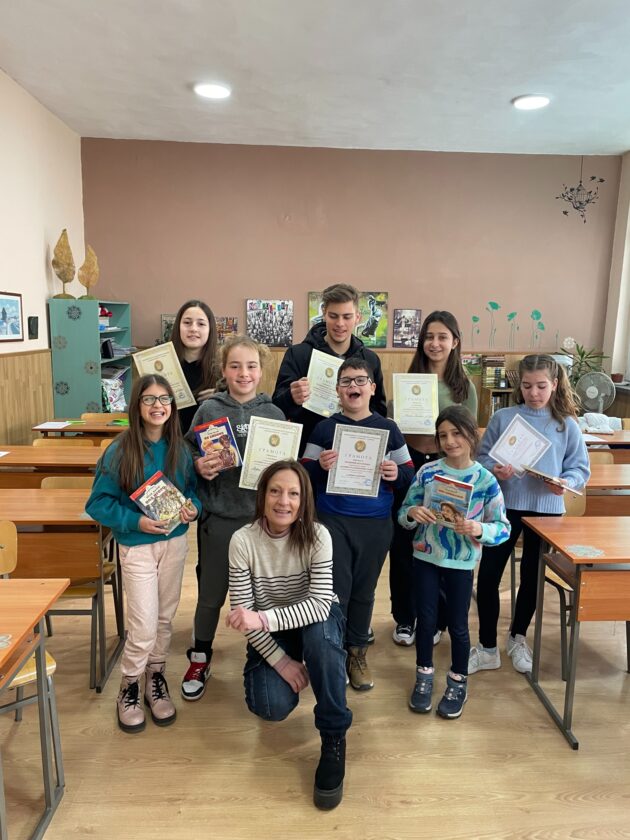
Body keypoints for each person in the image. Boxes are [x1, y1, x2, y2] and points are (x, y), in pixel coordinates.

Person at [226, 460, 352, 810]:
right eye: (275, 491)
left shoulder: (318, 535)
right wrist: (282, 662)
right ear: (262, 496)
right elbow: (245, 620)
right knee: (271, 706)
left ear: (303, 500)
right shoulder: (242, 541)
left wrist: (261, 618)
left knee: (321, 643)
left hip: (314, 619)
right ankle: (312, 665)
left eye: (293, 494)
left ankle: (333, 736)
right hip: (274, 633)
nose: (284, 501)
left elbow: (319, 606)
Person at [86, 374, 201, 734]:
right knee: (143, 624)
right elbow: (97, 504)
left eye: (164, 399)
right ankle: (130, 684)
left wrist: (192, 509)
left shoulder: (181, 449)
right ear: (136, 406)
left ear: (173, 406)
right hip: (136, 547)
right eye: (149, 399)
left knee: (164, 619)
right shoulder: (119, 451)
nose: (158, 406)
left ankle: (156, 676)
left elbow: (193, 493)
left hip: (174, 543)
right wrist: (136, 521)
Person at [469, 354, 590, 675]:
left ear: (555, 385)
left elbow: (580, 468)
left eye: (541, 386)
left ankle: (517, 638)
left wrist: (565, 482)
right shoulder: (504, 417)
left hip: (547, 512)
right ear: (518, 385)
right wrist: (495, 469)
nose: (533, 393)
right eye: (526, 386)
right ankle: (487, 646)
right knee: (489, 576)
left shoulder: (566, 424)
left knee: (532, 579)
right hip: (504, 508)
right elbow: (481, 459)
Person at [180, 335, 285, 701]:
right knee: (211, 595)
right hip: (220, 517)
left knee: (264, 595)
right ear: (223, 370)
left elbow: (285, 469)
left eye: (251, 366)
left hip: (262, 523)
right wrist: (198, 465)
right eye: (235, 366)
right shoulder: (209, 410)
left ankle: (263, 656)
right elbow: (187, 450)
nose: (244, 373)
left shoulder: (274, 414)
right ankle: (200, 656)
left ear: (261, 370)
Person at [303, 358, 414, 691]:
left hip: (376, 523)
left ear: (372, 388)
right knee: (337, 590)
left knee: (364, 591)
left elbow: (409, 474)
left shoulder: (389, 429)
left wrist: (395, 474)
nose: (353, 386)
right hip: (332, 520)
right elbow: (302, 472)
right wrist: (319, 466)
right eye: (346, 381)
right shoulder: (324, 429)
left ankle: (356, 653)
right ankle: (333, 652)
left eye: (360, 380)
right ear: (337, 390)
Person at [398, 405, 510, 719]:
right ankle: (424, 675)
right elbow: (404, 512)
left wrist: (478, 529)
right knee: (426, 621)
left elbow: (502, 528)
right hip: (425, 556)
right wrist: (413, 513)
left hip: (461, 562)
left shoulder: (486, 480)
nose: (449, 441)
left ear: (471, 435)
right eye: (443, 435)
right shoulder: (427, 472)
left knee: (459, 625)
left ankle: (458, 682)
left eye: (456, 433)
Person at [389, 310, 478, 648]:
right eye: (429, 337)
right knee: (404, 542)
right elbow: (394, 428)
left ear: (455, 342)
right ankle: (405, 618)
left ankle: (437, 619)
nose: (435, 343)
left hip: (445, 466)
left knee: (441, 539)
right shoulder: (408, 381)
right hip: (408, 462)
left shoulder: (464, 387)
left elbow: (467, 435)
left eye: (442, 337)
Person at [272, 283, 387, 454]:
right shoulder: (298, 354)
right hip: (308, 452)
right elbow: (276, 407)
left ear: (358, 317)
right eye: (333, 316)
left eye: (347, 317)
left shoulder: (370, 360)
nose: (340, 323)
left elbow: (380, 410)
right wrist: (291, 397)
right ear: (324, 314)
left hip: (355, 453)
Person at [171, 299, 219, 434]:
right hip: (169, 440)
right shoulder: (163, 364)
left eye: (201, 324)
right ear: (178, 327)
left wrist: (221, 398)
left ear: (210, 329)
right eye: (187, 323)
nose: (193, 329)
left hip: (208, 443)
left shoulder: (223, 368)